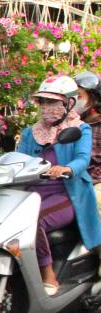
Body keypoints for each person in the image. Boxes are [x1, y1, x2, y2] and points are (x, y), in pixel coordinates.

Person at [17, 75, 101, 295]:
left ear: (68, 103)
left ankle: (48, 275)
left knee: (32, 223)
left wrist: (67, 168)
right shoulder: (31, 132)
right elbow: (18, 159)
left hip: (67, 193)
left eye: (53, 102)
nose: (47, 107)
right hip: (32, 194)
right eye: (43, 102)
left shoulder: (80, 129)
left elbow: (83, 159)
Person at [74, 71, 101, 220]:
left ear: (94, 99)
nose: (74, 101)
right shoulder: (72, 124)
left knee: (93, 202)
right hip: (73, 179)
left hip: (95, 183)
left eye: (79, 96)